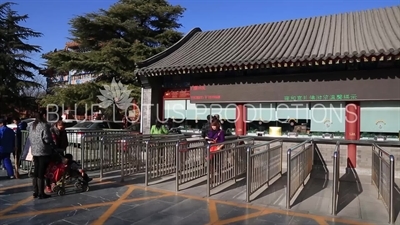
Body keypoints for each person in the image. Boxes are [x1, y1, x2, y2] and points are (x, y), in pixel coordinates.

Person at [29, 109, 54, 199]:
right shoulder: (44, 125)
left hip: (35, 150)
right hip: (43, 151)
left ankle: (35, 191)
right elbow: (47, 139)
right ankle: (41, 193)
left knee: (36, 171)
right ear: (44, 115)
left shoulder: (32, 125)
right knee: (41, 172)